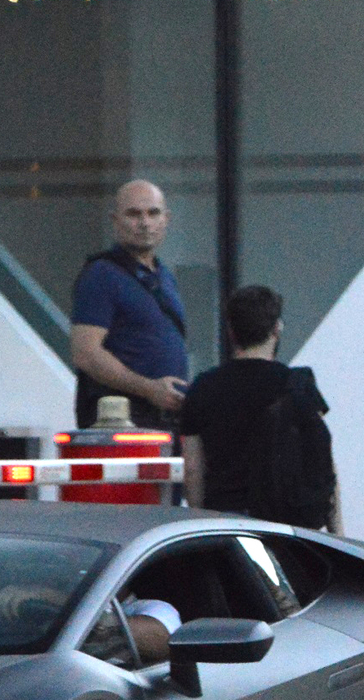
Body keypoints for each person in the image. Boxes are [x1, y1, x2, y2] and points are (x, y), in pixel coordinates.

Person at [179, 285, 340, 531]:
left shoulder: (203, 387)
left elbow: (193, 471)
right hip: (287, 523)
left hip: (226, 521)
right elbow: (323, 462)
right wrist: (337, 534)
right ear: (277, 329)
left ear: (231, 331)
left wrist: (201, 527)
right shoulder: (297, 385)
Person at [70, 179, 191, 428]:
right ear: (115, 220)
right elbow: (85, 353)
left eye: (153, 213)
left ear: (166, 219)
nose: (145, 223)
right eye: (134, 214)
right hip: (123, 423)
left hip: (167, 418)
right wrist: (149, 389)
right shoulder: (101, 274)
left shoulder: (164, 276)